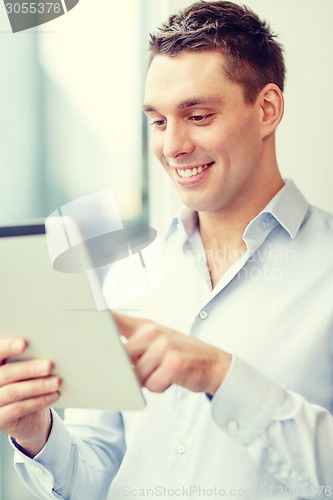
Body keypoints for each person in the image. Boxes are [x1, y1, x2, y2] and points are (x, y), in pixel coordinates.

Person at [0, 1, 332, 498]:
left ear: (267, 109)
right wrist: (37, 433)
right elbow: (97, 475)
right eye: (157, 122)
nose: (172, 146)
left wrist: (218, 373)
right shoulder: (127, 272)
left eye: (198, 115)